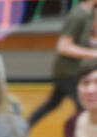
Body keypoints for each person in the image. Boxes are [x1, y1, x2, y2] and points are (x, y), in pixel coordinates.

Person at [27, 0, 97, 130]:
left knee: (52, 104)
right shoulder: (77, 16)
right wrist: (93, 54)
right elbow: (63, 47)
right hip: (67, 72)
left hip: (69, 71)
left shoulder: (89, 13)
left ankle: (22, 129)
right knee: (83, 108)